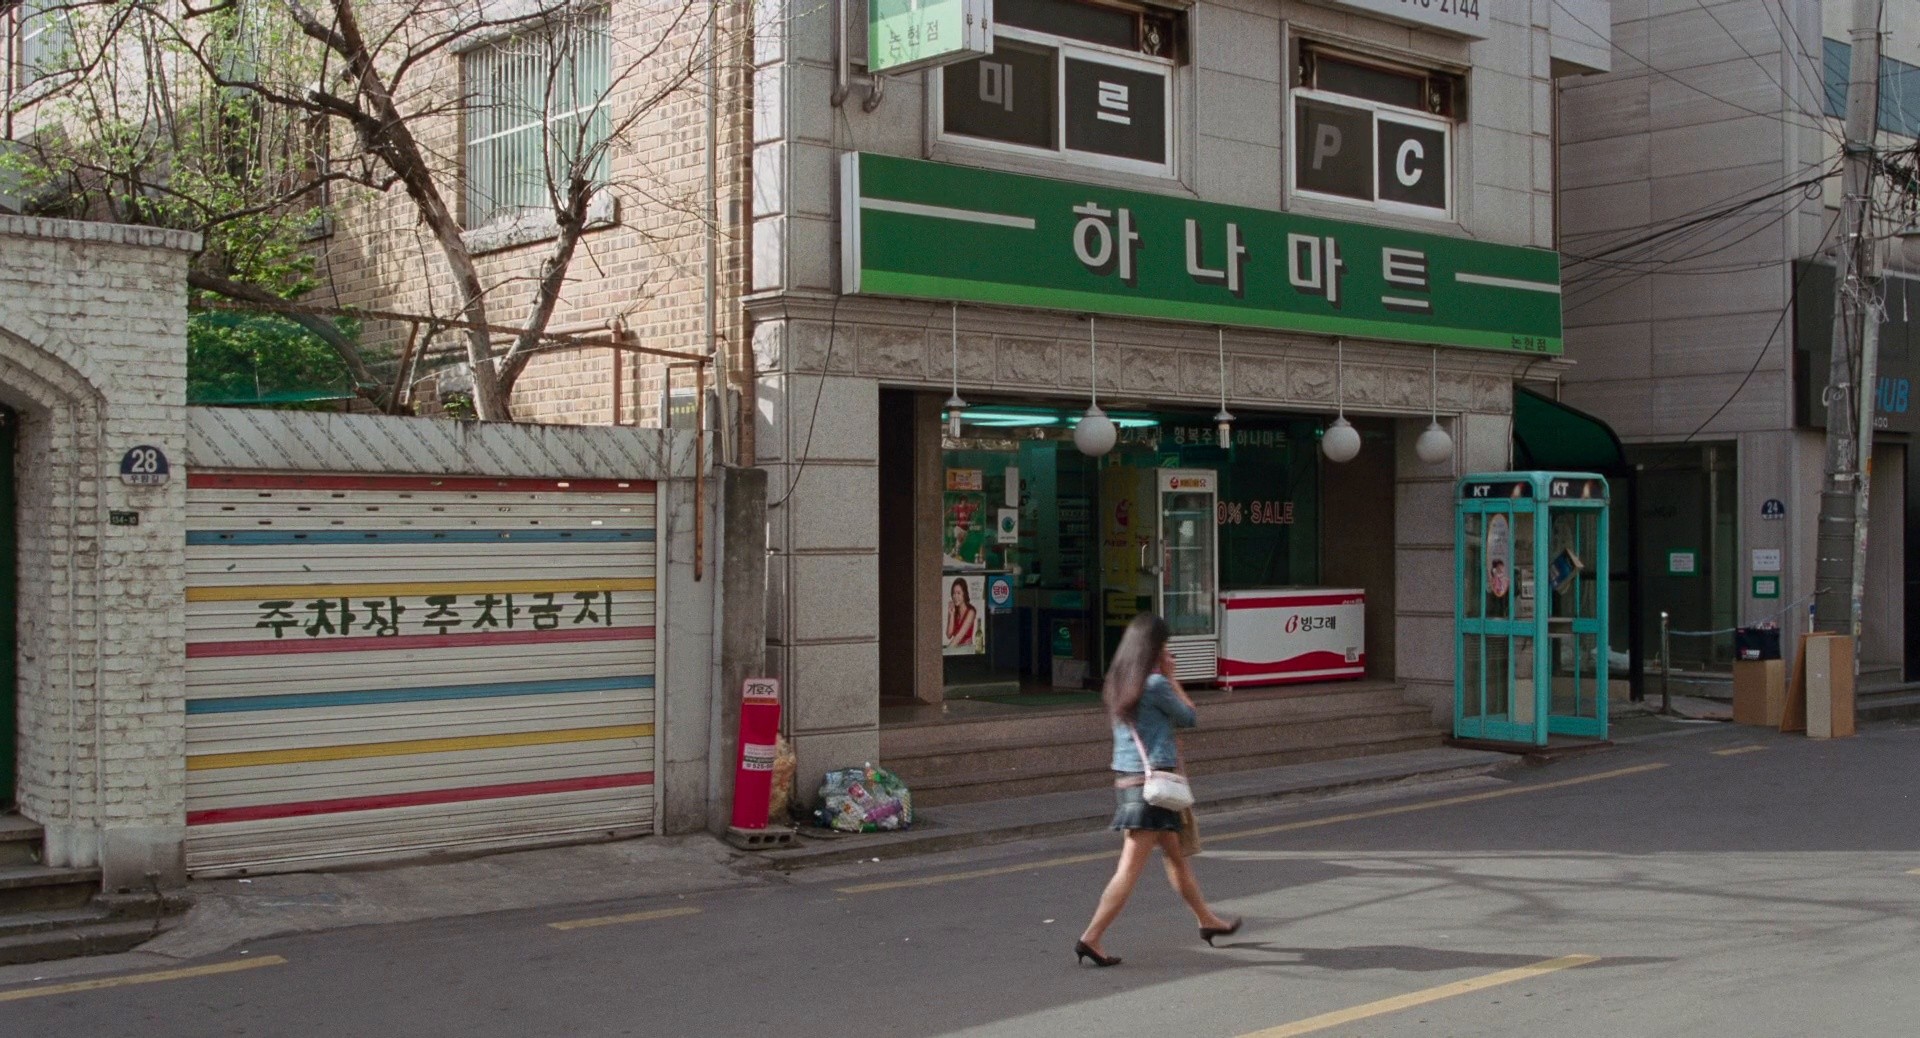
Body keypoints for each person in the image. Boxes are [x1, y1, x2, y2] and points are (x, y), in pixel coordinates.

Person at [1075, 613, 1240, 967]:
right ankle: (1091, 937)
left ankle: (1207, 920)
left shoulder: (1119, 681)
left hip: (1129, 779)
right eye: (1165, 647)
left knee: (1175, 857)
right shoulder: (1154, 685)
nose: (1169, 654)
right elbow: (1189, 716)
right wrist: (1172, 678)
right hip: (1151, 787)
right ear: (1152, 649)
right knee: (1129, 869)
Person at [943, 578, 978, 651]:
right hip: (955, 649)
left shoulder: (971, 612)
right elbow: (949, 635)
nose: (955, 596)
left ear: (964, 594)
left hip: (967, 650)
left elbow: (958, 638)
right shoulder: (954, 610)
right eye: (954, 593)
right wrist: (951, 614)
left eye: (958, 593)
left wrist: (945, 653)